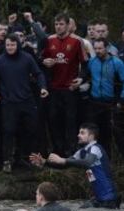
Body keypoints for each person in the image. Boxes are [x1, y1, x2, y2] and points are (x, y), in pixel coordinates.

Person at [0, 34, 48, 172]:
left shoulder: (27, 58)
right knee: (8, 132)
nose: (10, 47)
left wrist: (43, 87)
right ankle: (7, 160)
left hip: (27, 100)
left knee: (31, 130)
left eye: (13, 45)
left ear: (18, 45)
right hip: (8, 103)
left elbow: (38, 73)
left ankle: (26, 159)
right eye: (8, 45)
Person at [30, 123, 121, 209]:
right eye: (79, 133)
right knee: (82, 210)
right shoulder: (81, 152)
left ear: (91, 136)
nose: (78, 135)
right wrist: (44, 162)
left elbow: (87, 163)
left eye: (82, 133)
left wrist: (63, 160)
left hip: (110, 198)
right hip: (99, 199)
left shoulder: (95, 148)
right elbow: (64, 165)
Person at [42, 13, 88, 157]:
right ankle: (57, 150)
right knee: (54, 120)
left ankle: (71, 151)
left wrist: (81, 78)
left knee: (70, 121)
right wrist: (44, 61)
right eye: (56, 24)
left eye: (61, 24)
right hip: (54, 88)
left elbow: (86, 65)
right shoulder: (49, 40)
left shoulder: (76, 41)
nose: (58, 27)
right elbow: (41, 58)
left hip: (70, 88)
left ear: (68, 25)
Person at [85, 38, 124, 154]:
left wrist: (121, 100)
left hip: (110, 104)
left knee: (111, 133)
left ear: (107, 48)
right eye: (95, 48)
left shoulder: (117, 63)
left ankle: (113, 159)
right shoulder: (92, 62)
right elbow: (86, 75)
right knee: (95, 132)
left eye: (100, 48)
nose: (97, 51)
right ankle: (96, 157)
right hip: (94, 103)